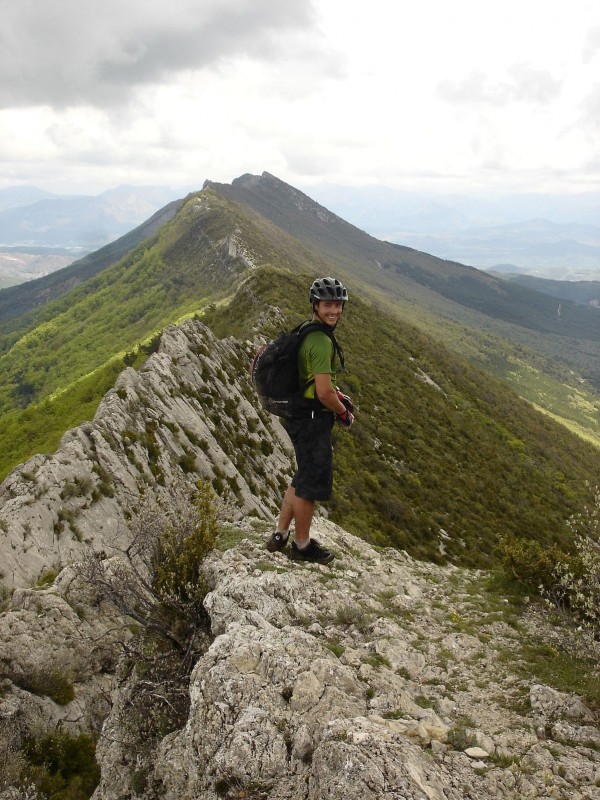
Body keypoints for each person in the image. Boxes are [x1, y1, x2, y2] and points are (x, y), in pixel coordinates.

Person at [266, 277, 354, 564]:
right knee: (310, 484)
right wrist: (343, 412)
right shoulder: (320, 340)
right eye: (329, 305)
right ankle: (302, 545)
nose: (335, 311)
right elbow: (324, 392)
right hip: (313, 419)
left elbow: (315, 383)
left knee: (302, 474)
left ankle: (280, 533)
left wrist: (333, 398)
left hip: (299, 413)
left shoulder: (307, 330)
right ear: (316, 305)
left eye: (338, 305)